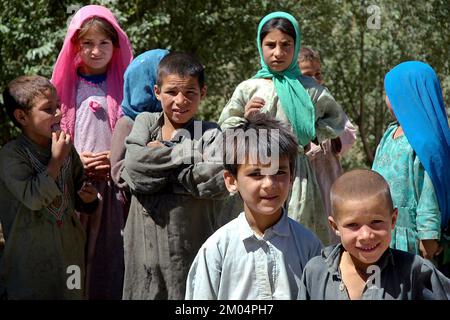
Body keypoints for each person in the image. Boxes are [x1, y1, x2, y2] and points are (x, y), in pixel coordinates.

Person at [218, 12, 347, 245]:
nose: (278, 53)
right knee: (259, 232)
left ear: (295, 47)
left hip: (297, 174)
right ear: (260, 45)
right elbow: (226, 127)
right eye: (270, 45)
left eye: (286, 45)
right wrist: (246, 121)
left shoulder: (310, 89)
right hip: (257, 171)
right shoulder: (249, 88)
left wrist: (311, 132)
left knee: (297, 232)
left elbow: (336, 120)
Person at [121, 52, 229, 299]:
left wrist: (158, 166)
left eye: (190, 92)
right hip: (144, 254)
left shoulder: (209, 132)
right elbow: (135, 167)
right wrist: (189, 155)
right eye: (172, 92)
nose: (181, 101)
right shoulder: (147, 122)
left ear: (203, 93)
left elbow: (214, 181)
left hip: (190, 249)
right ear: (157, 92)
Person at [185, 113, 322, 300]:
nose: (269, 184)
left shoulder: (309, 245)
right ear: (232, 181)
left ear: (291, 177)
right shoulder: (217, 249)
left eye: (279, 172)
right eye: (256, 174)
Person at [51, 4, 133, 299]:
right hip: (73, 189)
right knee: (72, 258)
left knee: (109, 260)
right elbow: (47, 132)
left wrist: (117, 158)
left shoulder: (127, 86)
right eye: (87, 43)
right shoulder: (61, 87)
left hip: (114, 194)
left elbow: (140, 133)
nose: (96, 50)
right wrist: (73, 161)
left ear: (116, 44)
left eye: (103, 43)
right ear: (76, 44)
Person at [0, 75, 99, 299]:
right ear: (22, 117)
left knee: (73, 293)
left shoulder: (64, 145)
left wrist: (89, 198)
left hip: (70, 253)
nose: (58, 113)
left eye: (57, 105)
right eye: (48, 109)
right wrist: (55, 161)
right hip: (29, 259)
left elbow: (76, 189)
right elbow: (34, 198)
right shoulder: (11, 155)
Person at [299, 169, 450, 300]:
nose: (366, 235)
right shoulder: (316, 272)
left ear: (393, 219)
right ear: (334, 226)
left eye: (376, 222)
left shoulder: (415, 271)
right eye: (353, 225)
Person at [372, 61, 450, 275]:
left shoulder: (425, 142)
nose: (386, 99)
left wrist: (428, 235)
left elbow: (429, 193)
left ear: (408, 95)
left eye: (390, 93)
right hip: (385, 229)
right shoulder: (390, 133)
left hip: (412, 238)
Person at [298, 46, 357, 244]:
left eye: (318, 74)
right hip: (301, 185)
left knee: (331, 235)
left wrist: (326, 131)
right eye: (308, 75)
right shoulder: (289, 106)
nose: (315, 80)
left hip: (329, 183)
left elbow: (348, 133)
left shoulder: (328, 105)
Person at [110, 48, 169, 216]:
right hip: (140, 211)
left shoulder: (175, 118)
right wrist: (151, 157)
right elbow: (117, 172)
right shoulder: (127, 123)